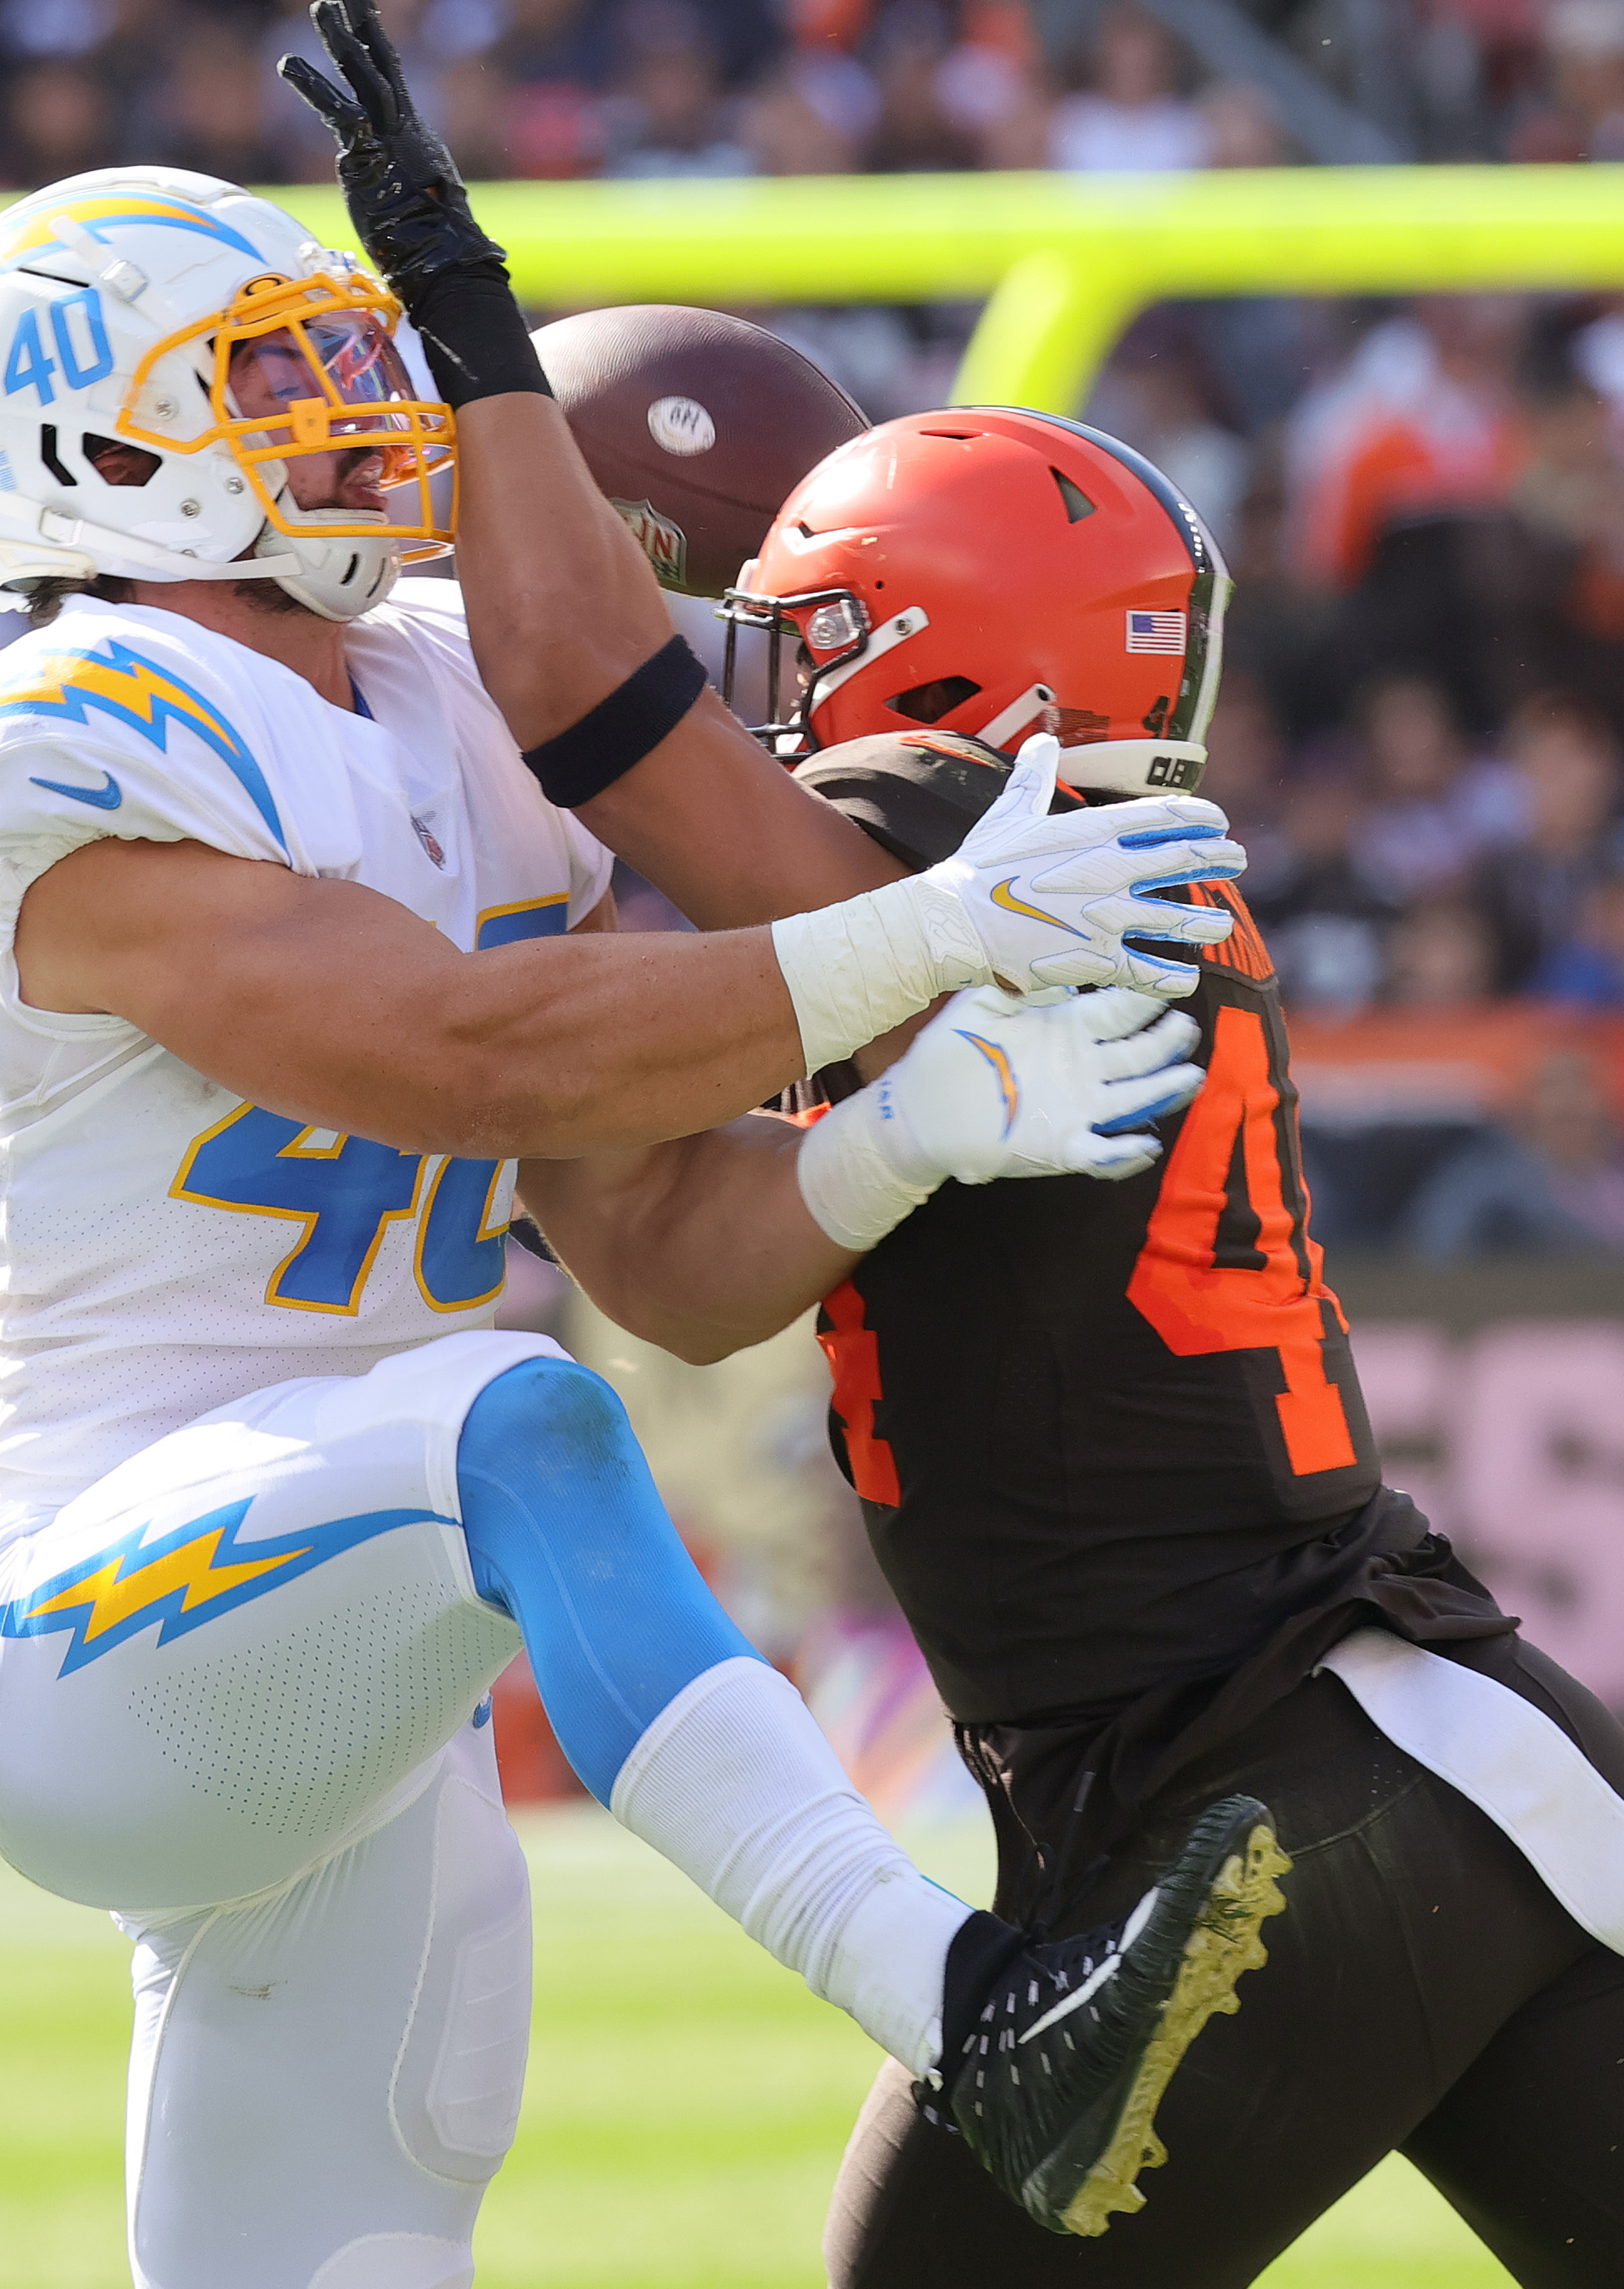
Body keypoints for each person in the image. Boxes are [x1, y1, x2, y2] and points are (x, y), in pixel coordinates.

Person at [0, 0, 1265, 2289]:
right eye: (260, 382)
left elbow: (665, 1253)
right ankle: (967, 2009)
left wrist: (910, 1128)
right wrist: (901, 942)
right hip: (95, 1628)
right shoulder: (75, 726)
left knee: (346, 2243)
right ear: (88, 460)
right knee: (512, 1417)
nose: (346, 419)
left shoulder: (435, 695)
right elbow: (470, 1058)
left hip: (350, 1639)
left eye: (340, 365)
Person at [502, 401, 1624, 2276]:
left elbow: (608, 732)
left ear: (920, 642)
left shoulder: (943, 845)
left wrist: (483, 393)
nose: (777, 702)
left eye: (804, 643)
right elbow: (673, 1260)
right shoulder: (1084, 875)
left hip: (1251, 1817)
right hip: (1444, 1752)